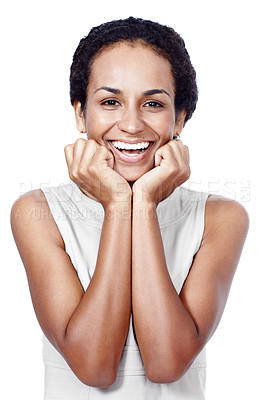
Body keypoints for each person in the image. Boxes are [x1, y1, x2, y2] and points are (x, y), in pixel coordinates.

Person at [11, 16, 249, 400]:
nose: (132, 124)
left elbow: (166, 363)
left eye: (153, 103)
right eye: (110, 102)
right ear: (79, 113)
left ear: (180, 119)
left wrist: (145, 204)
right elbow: (94, 367)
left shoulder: (221, 218)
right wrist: (120, 202)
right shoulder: (38, 212)